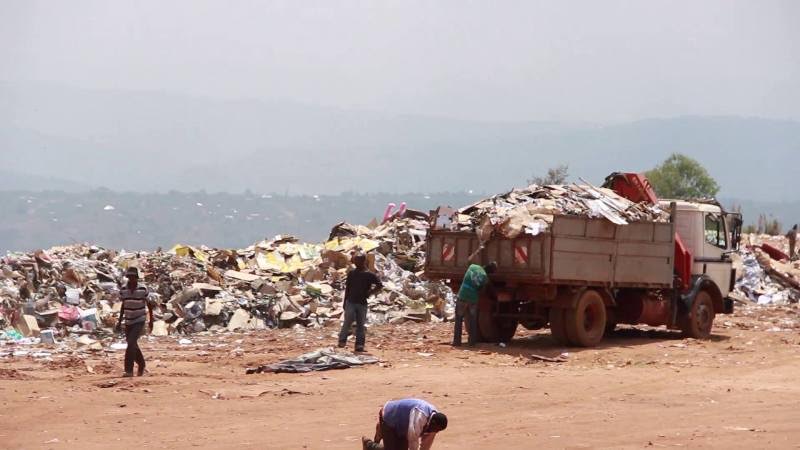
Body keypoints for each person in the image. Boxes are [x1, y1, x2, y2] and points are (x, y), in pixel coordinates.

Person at [362, 398, 448, 450]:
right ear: (433, 422)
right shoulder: (420, 416)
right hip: (389, 416)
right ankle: (369, 444)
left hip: (403, 424)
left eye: (438, 431)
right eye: (436, 429)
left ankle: (381, 433)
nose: (436, 432)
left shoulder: (435, 424)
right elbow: (413, 439)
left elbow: (425, 445)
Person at [338, 253, 382, 352]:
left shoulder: (369, 274)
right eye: (356, 260)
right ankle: (342, 341)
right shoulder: (352, 273)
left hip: (362, 303)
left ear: (363, 261)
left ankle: (359, 345)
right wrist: (345, 302)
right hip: (351, 301)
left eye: (358, 260)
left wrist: (370, 292)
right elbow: (348, 288)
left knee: (360, 325)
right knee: (347, 322)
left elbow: (379, 285)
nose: (356, 262)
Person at [116, 267, 153, 377]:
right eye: (130, 277)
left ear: (137, 278)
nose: (132, 279)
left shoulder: (143, 289)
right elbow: (123, 305)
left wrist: (151, 321)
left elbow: (149, 305)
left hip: (139, 319)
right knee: (132, 344)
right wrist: (119, 321)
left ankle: (128, 370)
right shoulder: (123, 289)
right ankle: (141, 364)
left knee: (131, 343)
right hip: (128, 320)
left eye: (133, 277)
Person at [452, 261, 496, 346]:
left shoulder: (473, 267)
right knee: (473, 320)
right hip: (473, 299)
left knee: (459, 319)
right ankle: (472, 342)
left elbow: (468, 261)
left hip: (462, 296)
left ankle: (457, 341)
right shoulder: (485, 278)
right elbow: (483, 291)